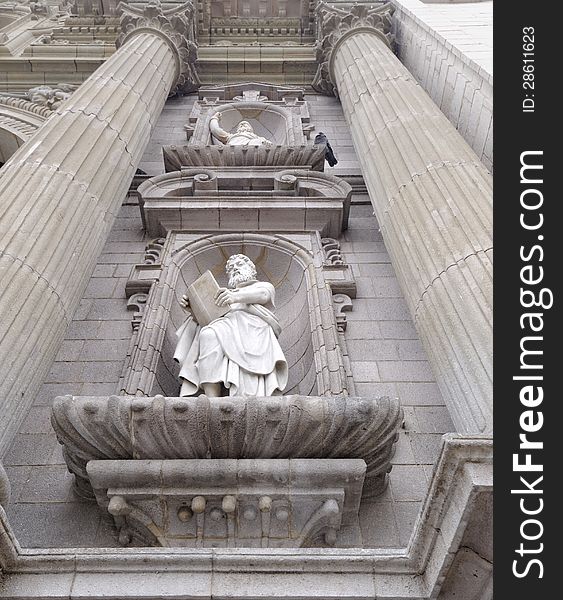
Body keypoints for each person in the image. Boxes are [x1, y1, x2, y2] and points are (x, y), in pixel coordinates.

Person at [174, 254, 288, 397]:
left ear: (251, 270)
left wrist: (235, 297)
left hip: (253, 329)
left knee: (217, 331)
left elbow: (263, 295)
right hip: (224, 327)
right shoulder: (223, 294)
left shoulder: (262, 286)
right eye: (231, 269)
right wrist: (193, 309)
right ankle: (211, 398)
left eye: (239, 265)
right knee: (207, 333)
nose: (235, 269)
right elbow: (208, 317)